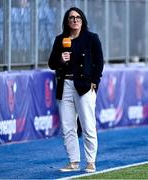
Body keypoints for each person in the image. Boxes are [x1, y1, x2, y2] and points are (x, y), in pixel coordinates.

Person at [48, 7, 104, 173]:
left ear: (82, 19)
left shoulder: (91, 38)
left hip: (84, 86)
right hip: (64, 85)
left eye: (78, 17)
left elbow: (99, 63)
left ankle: (90, 162)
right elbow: (52, 64)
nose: (75, 20)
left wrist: (95, 82)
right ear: (67, 20)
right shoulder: (61, 40)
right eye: (71, 17)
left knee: (88, 124)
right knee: (67, 126)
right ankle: (73, 161)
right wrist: (60, 59)